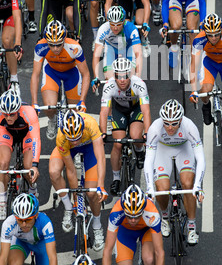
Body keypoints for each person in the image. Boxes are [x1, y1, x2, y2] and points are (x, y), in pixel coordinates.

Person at [144, 99, 205, 244]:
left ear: (181, 120)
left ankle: (191, 226)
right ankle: (165, 217)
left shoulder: (189, 126)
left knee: (188, 183)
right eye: (166, 123)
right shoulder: (155, 128)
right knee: (162, 187)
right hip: (162, 150)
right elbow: (148, 160)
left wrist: (198, 186)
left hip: (184, 149)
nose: (170, 127)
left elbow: (200, 158)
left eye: (174, 123)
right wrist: (149, 188)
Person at [49, 109, 107, 251]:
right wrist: (76, 200)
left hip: (89, 148)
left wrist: (101, 185)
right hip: (68, 150)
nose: (75, 141)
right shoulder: (62, 137)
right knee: (54, 172)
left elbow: (100, 158)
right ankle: (68, 207)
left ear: (81, 128)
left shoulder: (91, 124)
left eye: (77, 137)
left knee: (93, 194)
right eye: (71, 138)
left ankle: (97, 226)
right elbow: (71, 170)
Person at [30, 20, 90, 140]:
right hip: (52, 73)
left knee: (76, 114)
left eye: (59, 44)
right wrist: (34, 103)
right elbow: (35, 75)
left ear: (64, 39)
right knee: (49, 106)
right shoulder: (40, 47)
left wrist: (82, 101)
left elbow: (86, 74)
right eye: (51, 45)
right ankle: (52, 120)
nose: (55, 48)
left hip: (71, 73)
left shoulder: (74, 47)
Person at [99, 58, 151, 195]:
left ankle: (140, 152)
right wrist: (103, 133)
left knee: (135, 136)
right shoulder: (109, 86)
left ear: (130, 74)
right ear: (114, 75)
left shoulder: (139, 84)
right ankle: (116, 179)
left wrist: (147, 133)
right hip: (119, 110)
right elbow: (104, 112)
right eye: (118, 76)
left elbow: (146, 111)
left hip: (135, 109)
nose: (122, 80)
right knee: (117, 144)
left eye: (125, 76)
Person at [102, 184, 164, 265]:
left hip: (146, 231)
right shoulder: (116, 212)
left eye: (137, 216)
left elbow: (160, 252)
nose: (133, 220)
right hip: (125, 233)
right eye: (129, 216)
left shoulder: (152, 212)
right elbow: (108, 249)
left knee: (149, 260)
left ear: (143, 210)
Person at [0, 193, 57, 265]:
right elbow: (3, 258)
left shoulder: (45, 223)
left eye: (28, 219)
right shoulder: (8, 224)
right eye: (20, 220)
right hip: (21, 243)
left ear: (36, 215)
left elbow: (52, 257)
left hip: (41, 244)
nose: (24, 224)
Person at [0, 90, 40, 220]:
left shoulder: (29, 113)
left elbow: (35, 139)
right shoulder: (3, 116)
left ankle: (33, 188)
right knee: (3, 163)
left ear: (18, 110)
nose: (8, 117)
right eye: (5, 114)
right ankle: (3, 197)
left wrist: (34, 165)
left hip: (26, 135)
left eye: (12, 114)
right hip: (7, 133)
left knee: (27, 168)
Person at [92, 5, 143, 85]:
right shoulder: (103, 29)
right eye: (112, 24)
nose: (115, 28)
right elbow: (96, 55)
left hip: (127, 50)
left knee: (130, 77)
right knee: (110, 80)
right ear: (108, 22)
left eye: (118, 24)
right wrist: (96, 77)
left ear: (123, 22)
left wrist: (138, 78)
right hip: (111, 50)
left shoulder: (131, 28)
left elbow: (138, 54)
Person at [0, 0, 23, 94]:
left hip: (9, 15)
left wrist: (18, 43)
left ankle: (14, 79)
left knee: (7, 41)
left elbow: (17, 17)